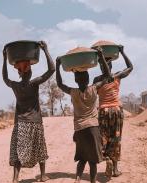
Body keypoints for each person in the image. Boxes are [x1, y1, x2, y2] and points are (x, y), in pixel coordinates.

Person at [2, 41, 55, 183]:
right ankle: (43, 176)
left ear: (19, 72)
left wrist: (3, 59)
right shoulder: (34, 83)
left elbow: (5, 78)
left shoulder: (15, 85)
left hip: (20, 124)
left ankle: (15, 178)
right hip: (35, 122)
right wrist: (46, 50)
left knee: (19, 151)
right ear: (30, 72)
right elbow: (52, 70)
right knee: (40, 149)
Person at [56, 47, 111, 183]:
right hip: (93, 127)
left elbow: (59, 84)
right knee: (93, 160)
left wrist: (58, 67)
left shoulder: (73, 92)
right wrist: (100, 56)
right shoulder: (94, 88)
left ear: (76, 80)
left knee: (82, 158)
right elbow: (107, 75)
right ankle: (92, 181)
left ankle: (78, 179)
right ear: (88, 79)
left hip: (79, 128)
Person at [93, 45, 133, 178]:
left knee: (103, 138)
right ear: (110, 66)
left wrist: (100, 55)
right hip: (116, 109)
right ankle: (115, 169)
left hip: (104, 110)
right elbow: (130, 67)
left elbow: (92, 95)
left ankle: (107, 160)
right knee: (116, 138)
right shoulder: (117, 76)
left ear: (101, 66)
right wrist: (122, 51)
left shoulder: (97, 80)